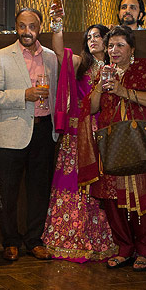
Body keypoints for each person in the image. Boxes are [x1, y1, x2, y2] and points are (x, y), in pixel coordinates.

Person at [82, 26, 146, 270]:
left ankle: (144, 250)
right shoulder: (104, 73)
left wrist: (123, 91)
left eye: (120, 45)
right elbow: (93, 108)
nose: (114, 50)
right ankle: (124, 247)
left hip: (140, 143)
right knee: (111, 197)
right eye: (110, 46)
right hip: (111, 143)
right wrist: (101, 84)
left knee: (141, 196)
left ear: (132, 49)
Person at [0, 8, 59, 261]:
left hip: (43, 131)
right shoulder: (2, 56)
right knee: (9, 191)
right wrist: (23, 95)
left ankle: (34, 240)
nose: (27, 31)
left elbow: (58, 93)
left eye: (32, 26)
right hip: (12, 133)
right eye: (22, 26)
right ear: (16, 27)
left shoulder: (50, 57)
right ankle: (10, 240)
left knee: (39, 190)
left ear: (40, 27)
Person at [43, 21, 116, 262]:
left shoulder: (113, 68)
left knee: (96, 186)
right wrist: (58, 28)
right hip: (76, 135)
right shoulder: (79, 64)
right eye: (89, 37)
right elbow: (58, 54)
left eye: (98, 36)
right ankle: (66, 236)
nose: (92, 40)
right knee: (71, 183)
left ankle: (96, 237)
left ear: (108, 41)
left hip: (101, 134)